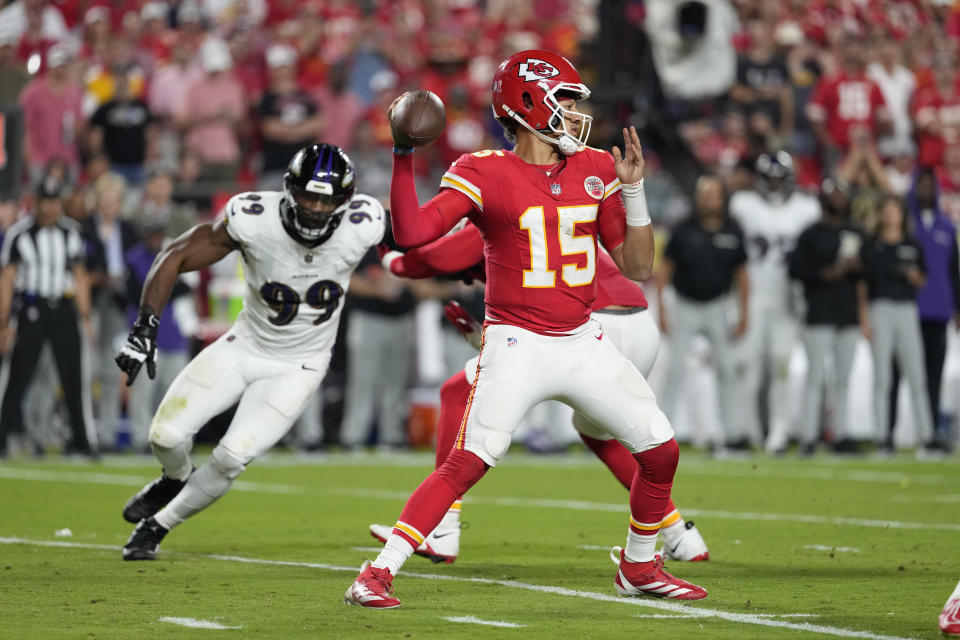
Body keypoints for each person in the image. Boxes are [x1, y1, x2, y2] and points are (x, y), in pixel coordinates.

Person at [344, 49, 706, 608]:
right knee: (468, 461)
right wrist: (401, 154)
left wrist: (633, 194)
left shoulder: (595, 169)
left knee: (660, 452)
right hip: (518, 343)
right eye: (563, 100)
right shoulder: (483, 170)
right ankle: (378, 571)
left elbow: (637, 267)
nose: (575, 112)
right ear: (529, 103)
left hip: (584, 338)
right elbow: (414, 234)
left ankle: (639, 565)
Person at [369, 221, 709, 565]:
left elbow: (431, 260)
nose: (468, 279)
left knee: (457, 392)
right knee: (602, 435)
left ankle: (443, 529)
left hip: (589, 328)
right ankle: (681, 535)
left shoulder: (496, 215)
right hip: (637, 326)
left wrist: (390, 260)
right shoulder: (545, 218)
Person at [115, 143, 385, 560]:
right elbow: (175, 255)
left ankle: (158, 525)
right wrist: (145, 326)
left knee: (232, 455)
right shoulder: (253, 218)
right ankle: (175, 476)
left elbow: (421, 245)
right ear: (288, 190)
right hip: (245, 346)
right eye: (308, 196)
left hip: (300, 366)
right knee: (164, 436)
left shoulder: (364, 224)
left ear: (345, 202)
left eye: (326, 199)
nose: (315, 207)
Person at [729, 152, 820, 453]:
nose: (775, 184)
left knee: (781, 365)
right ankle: (747, 430)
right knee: (747, 365)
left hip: (787, 299)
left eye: (780, 178)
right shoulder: (743, 205)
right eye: (770, 178)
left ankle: (779, 432)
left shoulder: (806, 209)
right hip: (752, 295)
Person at [0, 176, 95, 458]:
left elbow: (80, 275)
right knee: (18, 376)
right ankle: (3, 438)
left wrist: (86, 316)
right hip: (32, 309)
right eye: (45, 201)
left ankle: (81, 442)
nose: (50, 207)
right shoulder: (19, 234)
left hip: (64, 309)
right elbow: (7, 279)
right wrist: (4, 323)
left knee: (73, 377)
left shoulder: (71, 232)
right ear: (36, 202)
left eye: (55, 201)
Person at [657, 175, 749, 449]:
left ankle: (731, 434)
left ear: (722, 198)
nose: (709, 199)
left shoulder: (733, 230)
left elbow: (742, 275)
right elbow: (665, 269)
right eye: (705, 194)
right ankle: (661, 434)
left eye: (714, 194)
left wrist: (744, 313)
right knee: (673, 369)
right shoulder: (684, 229)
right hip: (685, 304)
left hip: (718, 306)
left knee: (727, 370)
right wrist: (662, 306)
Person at [788, 179, 863, 454]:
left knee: (843, 379)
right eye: (836, 194)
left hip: (848, 314)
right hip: (818, 314)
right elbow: (794, 269)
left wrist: (858, 267)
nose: (841, 199)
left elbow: (869, 274)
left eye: (844, 194)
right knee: (815, 378)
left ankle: (840, 434)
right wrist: (823, 274)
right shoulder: (811, 234)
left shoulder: (856, 232)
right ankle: (808, 437)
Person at [858, 196, 935, 455]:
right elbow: (862, 284)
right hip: (880, 308)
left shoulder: (912, 244)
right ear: (880, 215)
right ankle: (882, 438)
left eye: (895, 211)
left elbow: (924, 279)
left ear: (902, 215)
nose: (891, 215)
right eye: (886, 210)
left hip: (906, 309)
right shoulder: (871, 246)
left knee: (916, 374)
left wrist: (915, 277)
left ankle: (926, 437)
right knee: (882, 376)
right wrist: (864, 318)